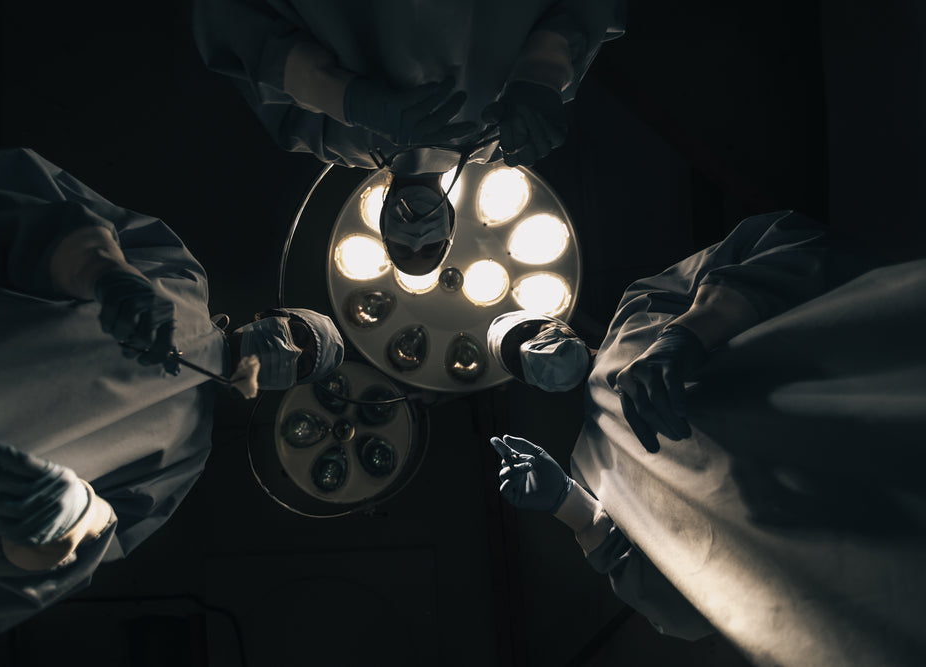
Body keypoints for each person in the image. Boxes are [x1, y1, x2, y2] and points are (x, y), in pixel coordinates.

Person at [0, 148, 345, 639]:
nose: (289, 349)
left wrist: (71, 522)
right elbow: (20, 208)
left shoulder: (181, 459)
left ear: (280, 389)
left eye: (300, 364)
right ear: (269, 316)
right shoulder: (176, 275)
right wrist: (102, 270)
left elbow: (68, 558)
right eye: (296, 332)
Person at [487, 211, 926, 666]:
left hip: (864, 413)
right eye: (521, 364)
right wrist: (570, 506)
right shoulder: (591, 467)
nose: (531, 352)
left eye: (531, 333)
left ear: (560, 323)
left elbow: (788, 238)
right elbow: (681, 615)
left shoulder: (640, 307)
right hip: (839, 553)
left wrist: (694, 330)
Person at [193, 0, 626, 274]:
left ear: (380, 218)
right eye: (431, 244)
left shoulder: (326, 139)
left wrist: (345, 97)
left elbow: (240, 31)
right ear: (452, 222)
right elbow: (582, 13)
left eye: (403, 245)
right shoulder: (503, 140)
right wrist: (543, 72)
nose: (417, 233)